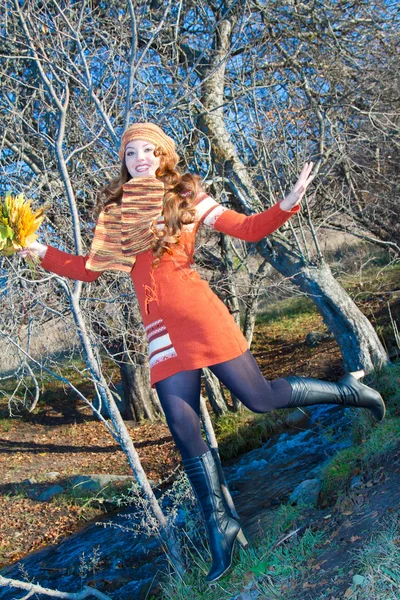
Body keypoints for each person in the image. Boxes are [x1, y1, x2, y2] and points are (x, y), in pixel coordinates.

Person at [20, 123, 385, 583]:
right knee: (182, 427)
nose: (141, 158)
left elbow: (247, 229)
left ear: (163, 155)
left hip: (200, 316)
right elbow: (89, 270)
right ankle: (223, 528)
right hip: (159, 330)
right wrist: (38, 250)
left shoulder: (187, 195)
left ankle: (349, 390)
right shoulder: (116, 212)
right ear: (124, 160)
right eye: (132, 152)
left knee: (261, 398)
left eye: (149, 151)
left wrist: (286, 204)